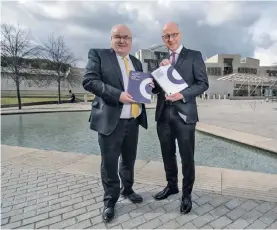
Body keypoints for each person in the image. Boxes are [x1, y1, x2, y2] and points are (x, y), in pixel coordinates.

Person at [82, 24, 149, 223]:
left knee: (128, 160)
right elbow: (89, 80)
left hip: (133, 120)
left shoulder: (136, 61)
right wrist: (118, 95)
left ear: (131, 40)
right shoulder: (98, 55)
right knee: (109, 163)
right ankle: (110, 200)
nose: (122, 41)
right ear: (111, 39)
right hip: (110, 120)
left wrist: (149, 86)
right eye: (118, 37)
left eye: (126, 37)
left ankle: (127, 189)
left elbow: (140, 89)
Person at [152, 22, 209, 214]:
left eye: (173, 34)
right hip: (163, 115)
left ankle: (186, 194)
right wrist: (155, 78)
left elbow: (203, 84)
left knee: (187, 157)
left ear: (180, 34)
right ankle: (172, 186)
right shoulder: (162, 60)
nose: (170, 39)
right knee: (167, 154)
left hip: (185, 115)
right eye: (166, 36)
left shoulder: (194, 55)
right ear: (163, 39)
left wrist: (182, 94)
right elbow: (157, 87)